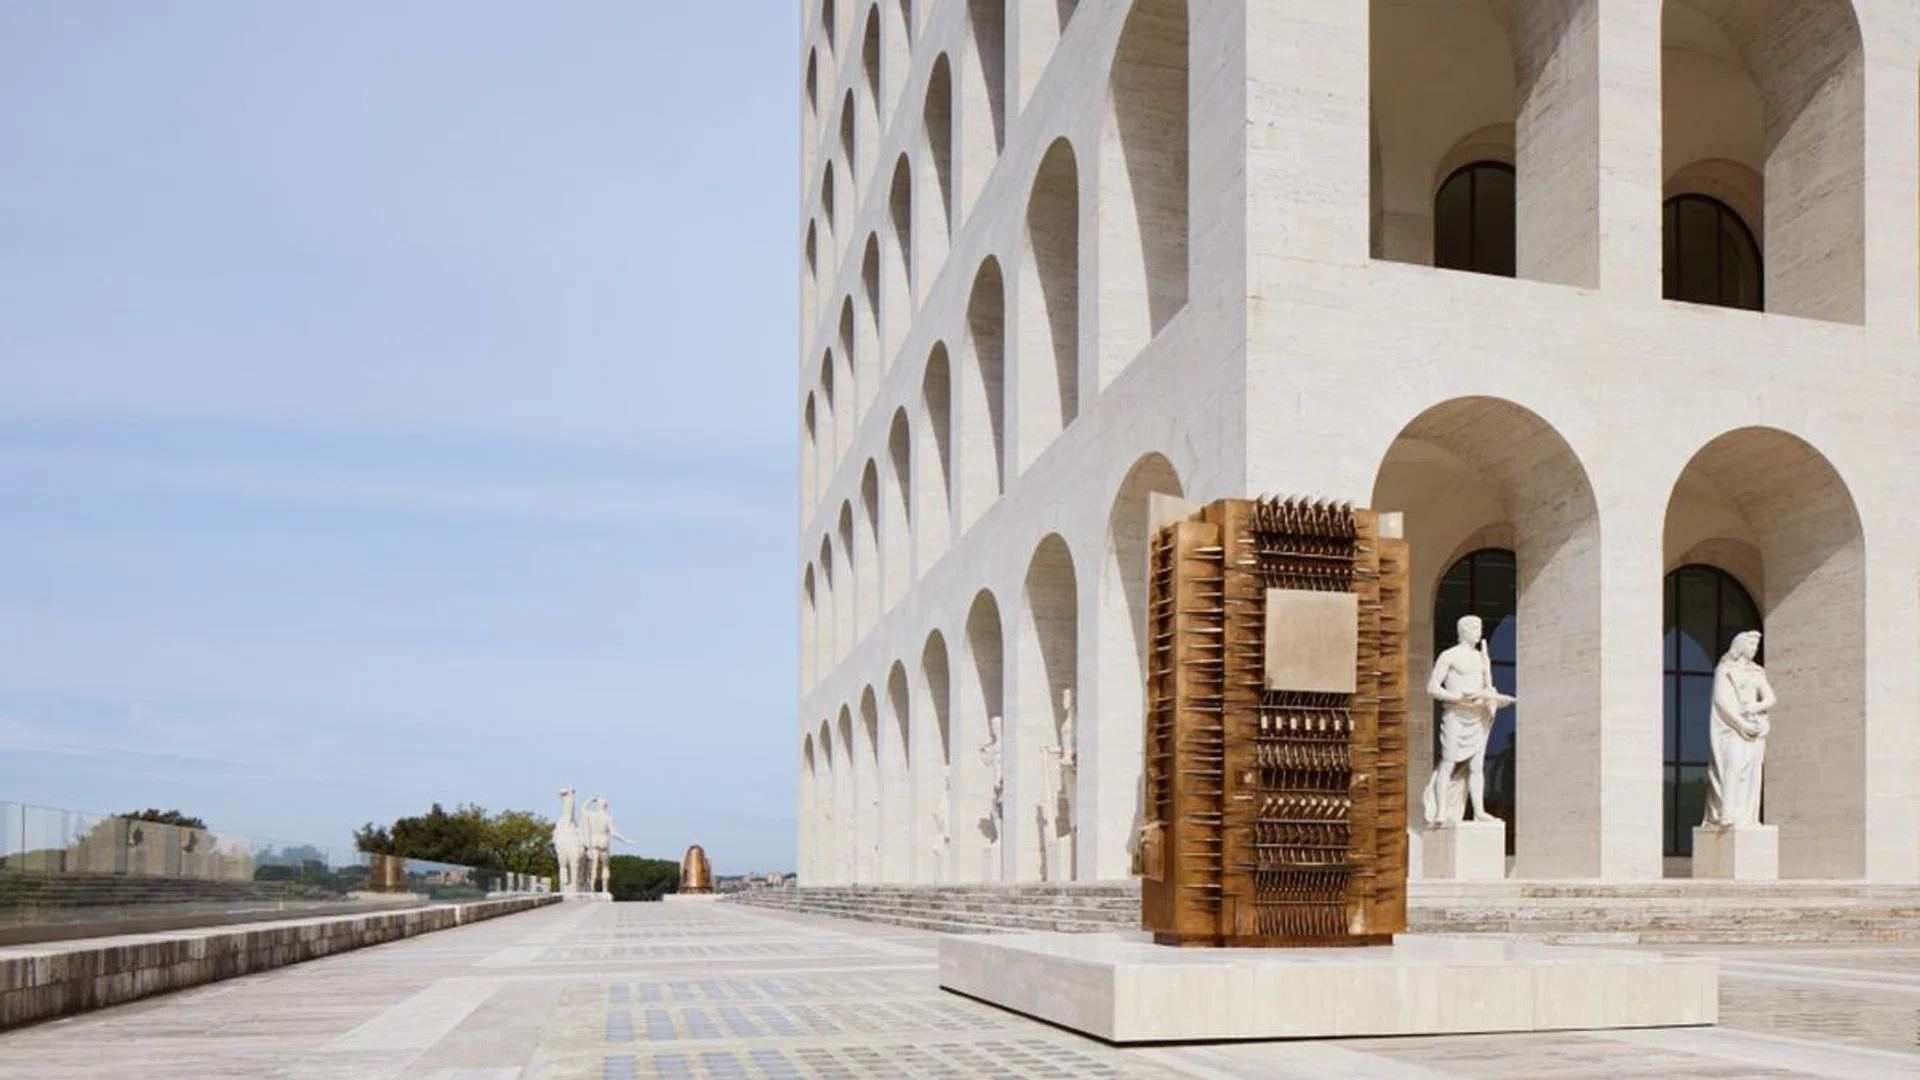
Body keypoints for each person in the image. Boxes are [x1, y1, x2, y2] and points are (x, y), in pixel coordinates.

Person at [1421, 615, 1515, 827]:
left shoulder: (1482, 658)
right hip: (1456, 714)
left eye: (1480, 627)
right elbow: (1433, 687)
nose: (1478, 631)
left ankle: (1479, 811)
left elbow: (1488, 687)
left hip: (1477, 716)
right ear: (1462, 630)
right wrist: (1456, 697)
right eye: (1474, 628)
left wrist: (1495, 700)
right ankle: (1442, 810)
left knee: (1477, 765)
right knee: (1448, 762)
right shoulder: (1449, 655)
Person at [1702, 630, 1774, 828]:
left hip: (1753, 728)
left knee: (1751, 772)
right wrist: (1740, 724)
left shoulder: (1756, 672)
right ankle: (1727, 812)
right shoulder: (1726, 669)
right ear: (1740, 645)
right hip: (1732, 728)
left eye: (1756, 647)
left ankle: (1747, 816)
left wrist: (1755, 707)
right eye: (1750, 645)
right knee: (1732, 765)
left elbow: (1770, 698)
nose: (1754, 649)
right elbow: (1720, 700)